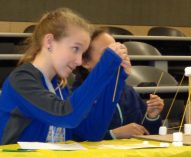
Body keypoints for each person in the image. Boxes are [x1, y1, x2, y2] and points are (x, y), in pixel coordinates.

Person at [0, 8, 130, 144]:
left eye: (82, 53)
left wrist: (115, 79)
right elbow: (66, 116)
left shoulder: (59, 87)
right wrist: (106, 65)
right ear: (49, 42)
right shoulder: (22, 80)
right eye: (75, 49)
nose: (79, 61)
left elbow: (91, 133)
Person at [72, 29, 164, 139]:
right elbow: (76, 137)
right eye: (107, 54)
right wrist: (114, 134)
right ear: (85, 62)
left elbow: (147, 134)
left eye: (117, 51)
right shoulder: (77, 95)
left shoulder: (128, 91)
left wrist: (151, 117)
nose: (116, 57)